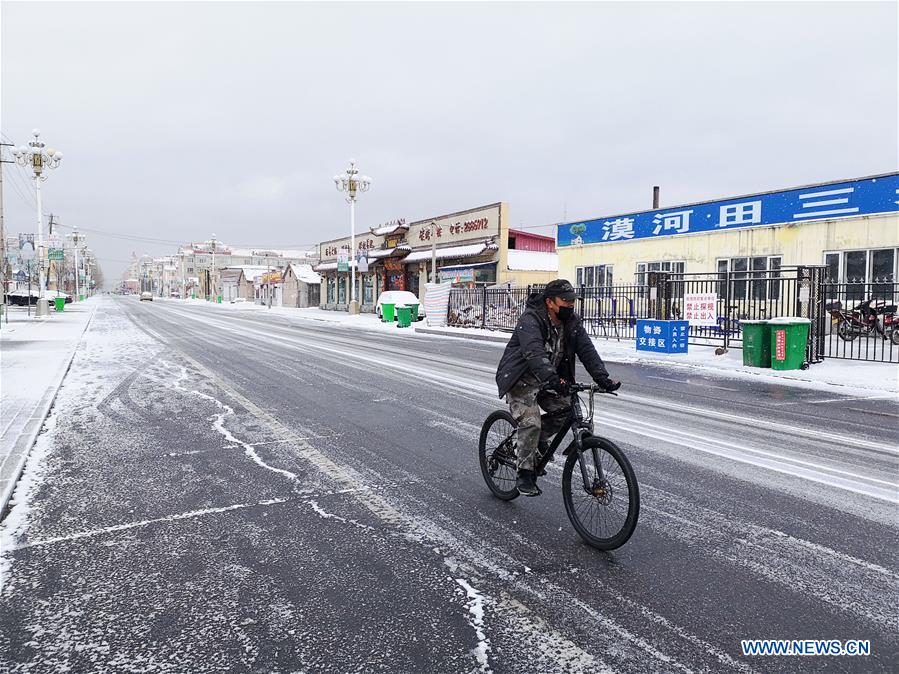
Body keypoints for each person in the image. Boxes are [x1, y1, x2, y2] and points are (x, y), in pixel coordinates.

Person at [495, 279, 620, 496]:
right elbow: (534, 353)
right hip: (521, 380)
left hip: (550, 380)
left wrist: (603, 378)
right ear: (550, 302)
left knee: (566, 412)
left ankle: (537, 441)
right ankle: (524, 474)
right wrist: (553, 379)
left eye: (573, 301)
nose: (570, 305)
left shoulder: (571, 322)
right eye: (566, 301)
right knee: (531, 422)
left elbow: (587, 351)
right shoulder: (531, 320)